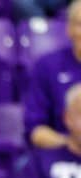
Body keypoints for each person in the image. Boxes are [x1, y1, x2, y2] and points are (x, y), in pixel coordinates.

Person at [24, 1, 81, 149]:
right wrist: (71, 146)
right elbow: (35, 129)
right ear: (69, 28)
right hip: (59, 154)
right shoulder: (47, 66)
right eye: (79, 24)